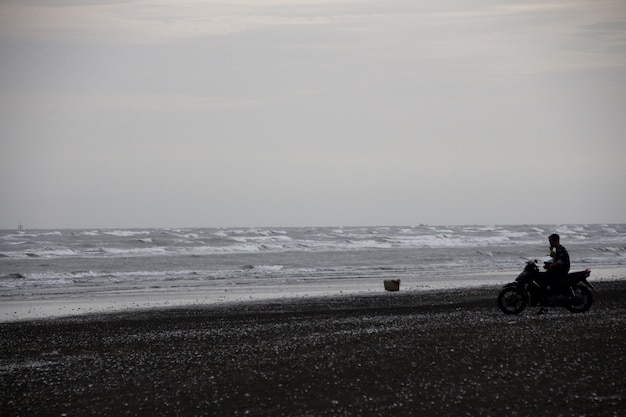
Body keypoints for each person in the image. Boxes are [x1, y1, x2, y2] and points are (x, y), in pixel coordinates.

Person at [537, 233, 570, 315]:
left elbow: (560, 262)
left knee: (543, 284)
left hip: (561, 271)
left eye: (551, 241)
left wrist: (551, 265)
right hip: (558, 270)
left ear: (555, 241)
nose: (550, 243)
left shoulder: (561, 249)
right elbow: (553, 257)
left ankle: (545, 307)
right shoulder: (558, 249)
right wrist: (551, 250)